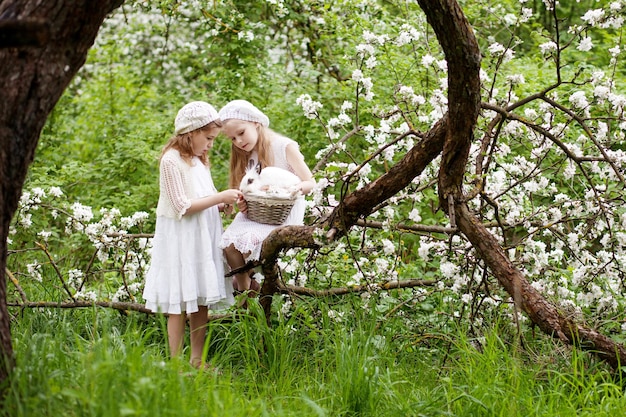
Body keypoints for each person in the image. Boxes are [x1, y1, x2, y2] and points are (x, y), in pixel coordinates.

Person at [142, 101, 243, 369]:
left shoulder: (199, 161)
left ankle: (197, 359)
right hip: (181, 240)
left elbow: (203, 198)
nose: (210, 144)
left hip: (201, 239)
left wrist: (221, 203)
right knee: (178, 300)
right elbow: (181, 206)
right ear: (191, 133)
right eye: (208, 138)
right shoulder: (171, 161)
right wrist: (218, 196)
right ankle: (175, 362)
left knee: (200, 300)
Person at [218, 99, 315, 297]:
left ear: (256, 123)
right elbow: (249, 190)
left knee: (246, 244)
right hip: (258, 213)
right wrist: (243, 204)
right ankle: (245, 290)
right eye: (233, 139)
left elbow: (310, 182)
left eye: (241, 133)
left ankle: (248, 287)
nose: (238, 141)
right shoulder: (247, 154)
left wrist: (290, 191)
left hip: (283, 212)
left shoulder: (283, 147)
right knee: (228, 245)